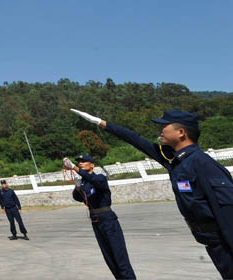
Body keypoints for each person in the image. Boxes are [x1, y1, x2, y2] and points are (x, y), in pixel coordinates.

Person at [71, 108, 233, 278]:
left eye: (165, 126)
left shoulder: (203, 164)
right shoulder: (175, 160)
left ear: (181, 132)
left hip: (224, 242)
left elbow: (228, 213)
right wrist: (101, 123)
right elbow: (136, 140)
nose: (160, 130)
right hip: (211, 242)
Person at [64, 154, 136, 279]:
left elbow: (95, 181)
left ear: (92, 165)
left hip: (108, 219)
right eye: (79, 162)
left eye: (84, 161)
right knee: (109, 258)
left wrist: (75, 168)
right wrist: (77, 186)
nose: (81, 163)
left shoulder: (100, 178)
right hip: (96, 221)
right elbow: (77, 197)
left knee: (120, 257)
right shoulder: (85, 183)